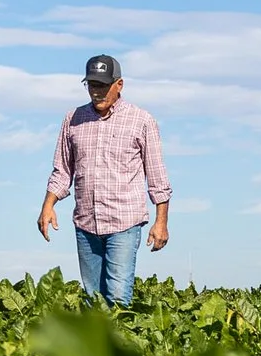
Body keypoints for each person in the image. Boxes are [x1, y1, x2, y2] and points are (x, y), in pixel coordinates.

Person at [38, 53, 171, 307]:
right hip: (86, 224)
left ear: (119, 85)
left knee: (118, 298)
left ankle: (119, 333)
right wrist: (48, 206)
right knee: (94, 301)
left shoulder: (142, 120)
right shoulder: (73, 119)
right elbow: (62, 170)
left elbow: (157, 177)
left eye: (102, 85)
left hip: (125, 222)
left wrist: (161, 222)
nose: (96, 92)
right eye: (92, 85)